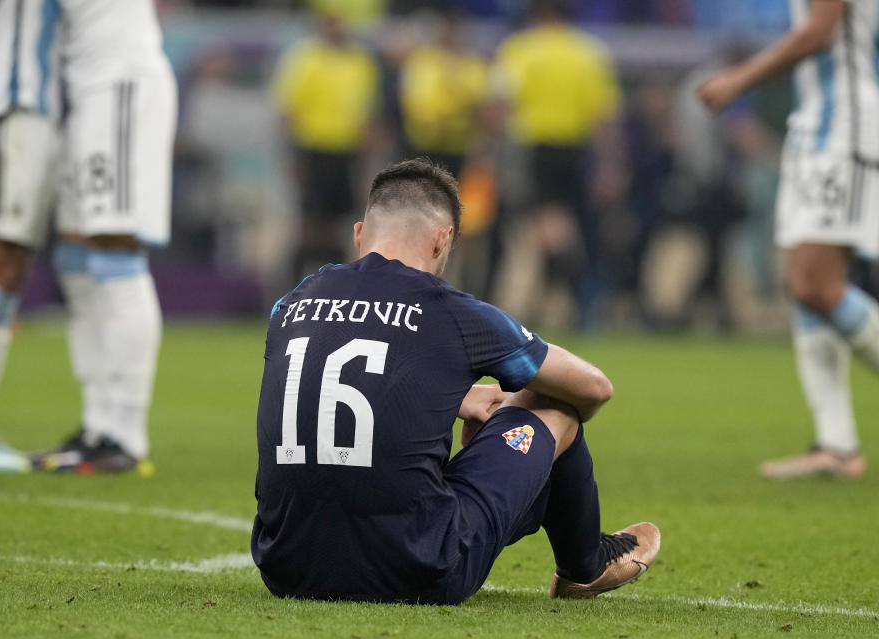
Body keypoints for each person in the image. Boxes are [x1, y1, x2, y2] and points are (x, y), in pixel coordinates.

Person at [251, 158, 659, 604]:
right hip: (414, 570)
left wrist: (455, 395)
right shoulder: (453, 313)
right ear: (443, 239)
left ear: (358, 235)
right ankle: (586, 564)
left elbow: (339, 374)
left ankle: (550, 518)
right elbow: (595, 387)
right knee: (554, 403)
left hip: (285, 566)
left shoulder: (291, 304)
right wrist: (512, 404)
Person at [0, 0, 176, 474]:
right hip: (37, 99)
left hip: (108, 84)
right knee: (43, 260)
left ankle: (117, 431)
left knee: (107, 252)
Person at [699, 0, 877, 479]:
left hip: (844, 134)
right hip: (816, 132)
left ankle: (837, 447)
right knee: (805, 289)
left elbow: (820, 30)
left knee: (816, 287)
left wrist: (740, 78)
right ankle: (836, 446)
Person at [492, 0, 622, 326]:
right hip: (576, 149)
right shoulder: (590, 52)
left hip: (533, 149)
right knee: (562, 224)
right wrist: (609, 165)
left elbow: (499, 103)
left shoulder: (520, 49)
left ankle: (581, 293)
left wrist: (491, 152)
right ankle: (570, 295)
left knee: (542, 229)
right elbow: (604, 116)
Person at [272, 11, 380, 280]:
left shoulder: (360, 62)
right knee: (308, 223)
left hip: (346, 151)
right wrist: (293, 156)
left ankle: (332, 284)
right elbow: (288, 111)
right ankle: (293, 286)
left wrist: (365, 160)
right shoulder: (304, 58)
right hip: (312, 149)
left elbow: (367, 113)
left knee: (338, 223)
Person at [399, 9, 488, 178]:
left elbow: (479, 102)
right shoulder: (422, 61)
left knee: (453, 197)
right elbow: (416, 100)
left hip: (459, 145)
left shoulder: (472, 64)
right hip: (425, 144)